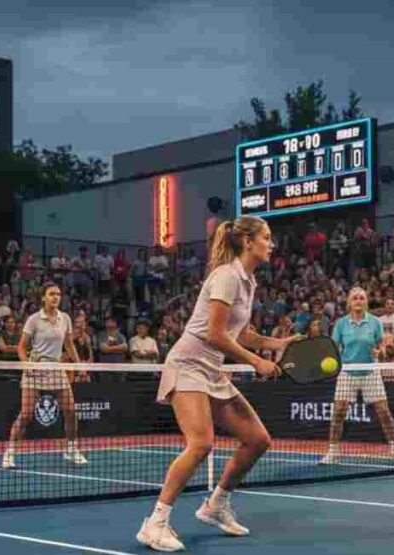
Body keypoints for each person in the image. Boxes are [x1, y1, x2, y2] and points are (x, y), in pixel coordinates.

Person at [137, 216, 298, 552]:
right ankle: (155, 523)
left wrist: (275, 345)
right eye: (267, 237)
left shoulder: (248, 280)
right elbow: (214, 333)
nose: (272, 243)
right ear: (248, 242)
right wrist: (256, 362)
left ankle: (215, 506)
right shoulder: (226, 276)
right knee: (201, 444)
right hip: (188, 364)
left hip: (211, 370)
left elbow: (239, 332)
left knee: (257, 440)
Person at [1, 283, 86, 469]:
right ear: (43, 298)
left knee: (71, 411)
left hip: (56, 368)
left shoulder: (65, 319)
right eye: (51, 294)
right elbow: (22, 347)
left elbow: (69, 345)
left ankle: (71, 449)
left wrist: (79, 366)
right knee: (26, 414)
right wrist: (28, 365)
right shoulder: (33, 320)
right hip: (35, 368)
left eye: (58, 294)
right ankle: (10, 452)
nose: (56, 297)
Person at [321, 287, 394, 465]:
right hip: (347, 372)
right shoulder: (341, 324)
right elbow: (334, 347)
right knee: (338, 413)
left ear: (366, 301)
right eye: (355, 298)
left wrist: (381, 351)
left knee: (384, 412)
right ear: (349, 303)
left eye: (361, 298)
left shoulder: (375, 322)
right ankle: (333, 451)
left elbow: (382, 345)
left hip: (370, 371)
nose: (358, 301)